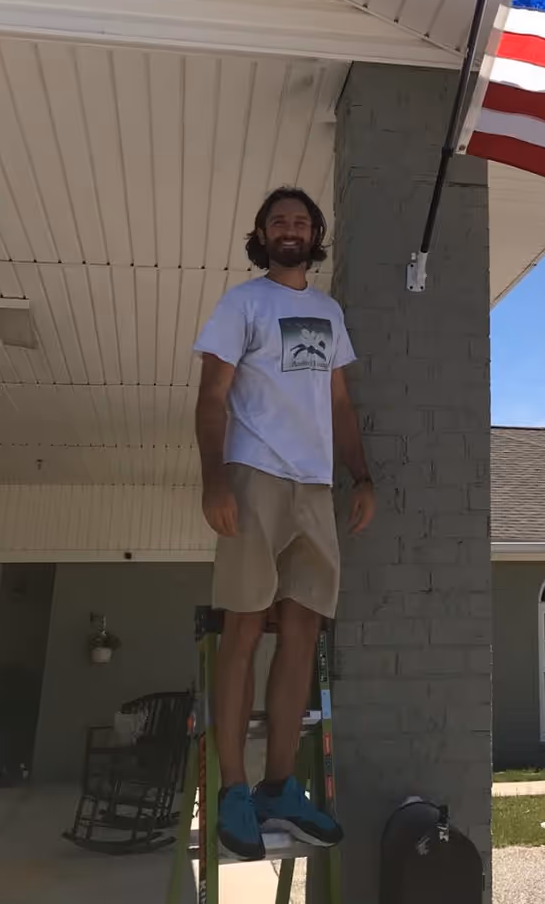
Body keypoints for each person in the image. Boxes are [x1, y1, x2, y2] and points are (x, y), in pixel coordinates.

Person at [193, 186, 375, 860]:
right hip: (253, 473)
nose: (290, 229)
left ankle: (277, 784)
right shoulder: (242, 303)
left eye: (301, 221)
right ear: (263, 234)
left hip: (315, 486)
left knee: (302, 630)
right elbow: (212, 395)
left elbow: (339, 403)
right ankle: (234, 789)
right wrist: (214, 476)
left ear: (315, 233)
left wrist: (362, 474)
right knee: (244, 626)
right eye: (279, 221)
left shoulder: (327, 312)